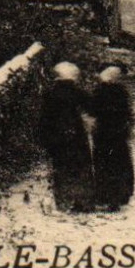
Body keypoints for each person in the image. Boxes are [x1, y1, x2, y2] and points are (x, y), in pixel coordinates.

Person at [38, 61, 94, 212]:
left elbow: (43, 117)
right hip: (75, 134)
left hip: (57, 135)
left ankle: (63, 201)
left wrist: (44, 137)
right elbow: (91, 106)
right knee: (81, 166)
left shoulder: (49, 93)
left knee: (61, 167)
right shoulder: (75, 91)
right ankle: (82, 201)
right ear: (72, 77)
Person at [88, 64, 135, 212]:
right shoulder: (121, 91)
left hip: (103, 132)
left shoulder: (100, 90)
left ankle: (105, 196)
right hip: (118, 132)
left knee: (104, 164)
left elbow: (93, 110)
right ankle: (120, 196)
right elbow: (128, 113)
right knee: (119, 163)